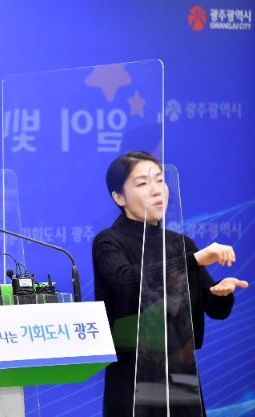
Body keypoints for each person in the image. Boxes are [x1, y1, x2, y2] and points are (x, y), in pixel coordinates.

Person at [92, 151, 248, 417]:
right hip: (133, 374)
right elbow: (127, 282)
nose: (156, 190)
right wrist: (194, 260)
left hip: (181, 375)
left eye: (159, 180)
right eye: (142, 183)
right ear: (119, 198)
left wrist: (222, 293)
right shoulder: (109, 242)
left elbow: (216, 310)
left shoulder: (180, 244)